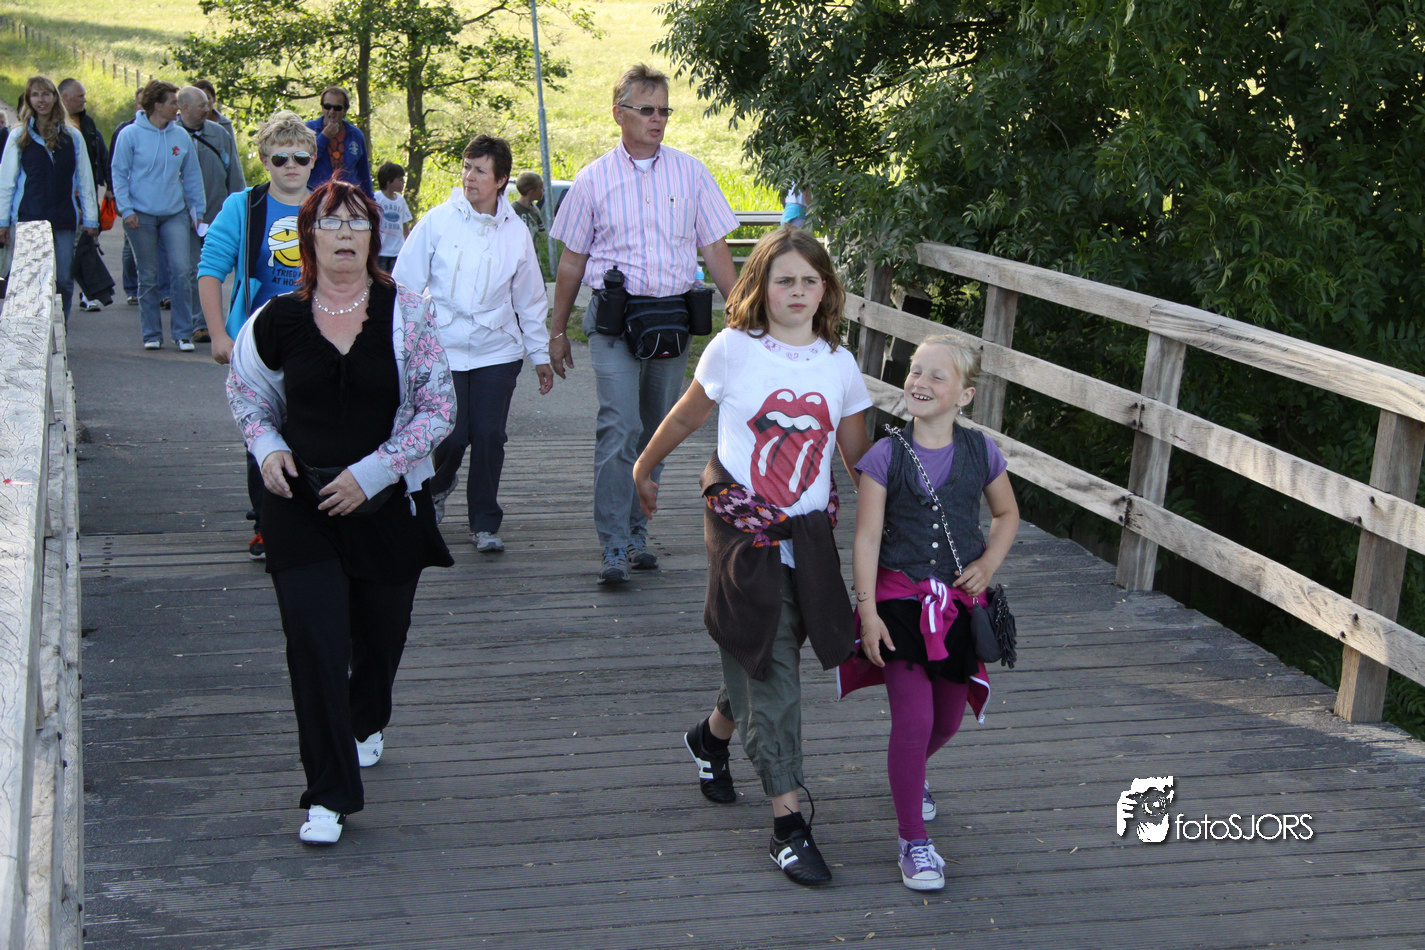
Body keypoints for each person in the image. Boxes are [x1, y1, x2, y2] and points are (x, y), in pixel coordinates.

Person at [632, 228, 872, 886]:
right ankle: (788, 826)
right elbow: (686, 416)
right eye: (783, 280)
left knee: (765, 655)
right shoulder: (734, 348)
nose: (797, 291)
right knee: (772, 672)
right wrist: (644, 466)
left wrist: (897, 520)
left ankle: (709, 738)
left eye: (809, 281)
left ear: (825, 290)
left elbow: (856, 457)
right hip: (743, 535)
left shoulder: (838, 364)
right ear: (760, 286)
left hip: (809, 539)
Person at [226, 179, 455, 845]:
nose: (346, 234)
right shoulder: (277, 319)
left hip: (387, 506)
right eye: (331, 223)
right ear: (309, 237)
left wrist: (373, 472)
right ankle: (327, 796)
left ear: (375, 237)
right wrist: (267, 447)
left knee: (379, 639)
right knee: (315, 645)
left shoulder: (408, 314)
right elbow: (245, 391)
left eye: (358, 223)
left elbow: (440, 408)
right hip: (301, 506)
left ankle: (366, 716)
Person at [549, 63, 740, 584]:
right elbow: (571, 261)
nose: (658, 119)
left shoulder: (692, 173)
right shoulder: (592, 180)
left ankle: (638, 534)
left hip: (671, 321)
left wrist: (743, 313)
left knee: (657, 430)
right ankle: (613, 543)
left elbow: (715, 248)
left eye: (664, 110)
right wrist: (557, 332)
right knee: (620, 425)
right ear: (619, 114)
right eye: (647, 110)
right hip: (614, 324)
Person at [849, 334, 1019, 891]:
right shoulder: (885, 455)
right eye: (915, 371)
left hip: (959, 606)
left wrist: (988, 564)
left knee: (946, 720)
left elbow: (1006, 514)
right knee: (914, 720)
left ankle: (911, 772)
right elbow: (867, 537)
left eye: (936, 376)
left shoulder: (981, 451)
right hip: (898, 602)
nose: (919, 381)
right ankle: (913, 843)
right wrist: (868, 612)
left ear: (965, 395)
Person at [393, 135, 553, 552]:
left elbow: (530, 299)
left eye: (480, 170)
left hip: (497, 350)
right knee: (451, 434)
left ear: (500, 180)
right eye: (467, 167)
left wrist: (540, 354)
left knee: (488, 436)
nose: (469, 177)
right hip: (441, 348)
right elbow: (405, 286)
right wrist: (401, 345)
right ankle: (437, 486)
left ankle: (484, 522)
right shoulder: (437, 221)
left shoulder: (516, 233)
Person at [199, 110, 317, 560]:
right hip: (256, 339)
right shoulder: (243, 207)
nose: (291, 166)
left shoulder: (326, 205)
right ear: (265, 161)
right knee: (261, 430)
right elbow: (211, 270)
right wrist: (218, 334)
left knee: (310, 426)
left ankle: (307, 516)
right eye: (280, 158)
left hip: (316, 335)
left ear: (313, 161)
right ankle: (267, 522)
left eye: (301, 158)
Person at [111, 79, 206, 350]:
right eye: (173, 103)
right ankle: (151, 334)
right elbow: (119, 173)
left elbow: (192, 175)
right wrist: (126, 209)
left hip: (174, 213)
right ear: (157, 105)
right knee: (149, 276)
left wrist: (197, 211)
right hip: (140, 215)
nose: (178, 107)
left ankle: (183, 333)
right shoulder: (130, 134)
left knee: (182, 271)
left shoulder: (181, 136)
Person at [0, 75, 99, 320]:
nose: (41, 100)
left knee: (63, 279)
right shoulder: (18, 135)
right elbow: (6, 183)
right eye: (35, 95)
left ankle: (60, 326)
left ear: (55, 98)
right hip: (28, 219)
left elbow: (85, 180)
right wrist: (2, 222)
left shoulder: (72, 136)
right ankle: (34, 327)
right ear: (28, 100)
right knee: (31, 280)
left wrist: (91, 219)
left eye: (46, 94)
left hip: (63, 218)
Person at [177, 85, 245, 340]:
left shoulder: (219, 133)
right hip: (182, 215)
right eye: (202, 105)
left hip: (217, 213)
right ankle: (196, 323)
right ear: (184, 108)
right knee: (189, 269)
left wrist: (240, 207)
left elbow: (234, 171)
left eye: (208, 104)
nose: (208, 109)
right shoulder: (172, 135)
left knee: (214, 269)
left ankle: (207, 321)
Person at [58, 78, 109, 312]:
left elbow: (101, 155)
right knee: (68, 252)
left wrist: (109, 187)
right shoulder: (54, 126)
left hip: (85, 193)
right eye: (80, 96)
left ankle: (87, 294)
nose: (84, 101)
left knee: (86, 246)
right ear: (64, 98)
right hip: (63, 197)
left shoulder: (87, 125)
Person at [306, 86, 373, 196]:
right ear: (322, 107)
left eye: (337, 108)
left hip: (348, 197)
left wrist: (370, 202)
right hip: (317, 196)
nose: (331, 112)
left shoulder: (355, 135)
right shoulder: (308, 130)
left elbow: (364, 174)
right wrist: (323, 138)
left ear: (345, 110)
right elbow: (303, 162)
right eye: (327, 107)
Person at [374, 161, 411, 272]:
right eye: (400, 180)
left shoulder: (401, 200)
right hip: (381, 250)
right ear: (389, 182)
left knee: (395, 277)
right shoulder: (376, 198)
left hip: (397, 250)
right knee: (380, 278)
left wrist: (408, 244)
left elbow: (404, 224)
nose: (403, 182)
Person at [511, 170, 544, 236]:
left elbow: (541, 233)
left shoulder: (535, 210)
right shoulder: (513, 210)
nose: (544, 191)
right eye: (541, 189)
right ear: (532, 192)